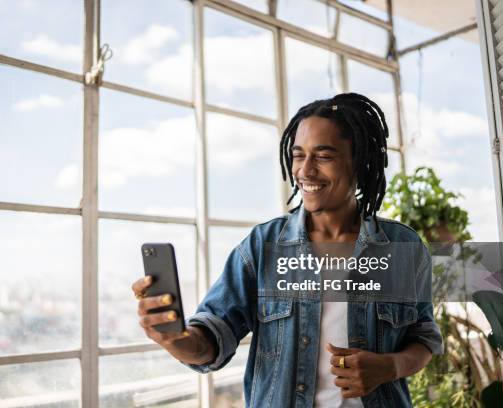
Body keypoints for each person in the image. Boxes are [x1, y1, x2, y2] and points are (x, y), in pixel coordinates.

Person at [131, 93, 443, 407]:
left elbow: (423, 336)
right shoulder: (262, 247)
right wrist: (175, 338)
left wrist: (390, 367)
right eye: (298, 155)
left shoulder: (403, 247)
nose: (305, 170)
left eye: (323, 156)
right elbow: (213, 336)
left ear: (358, 161)